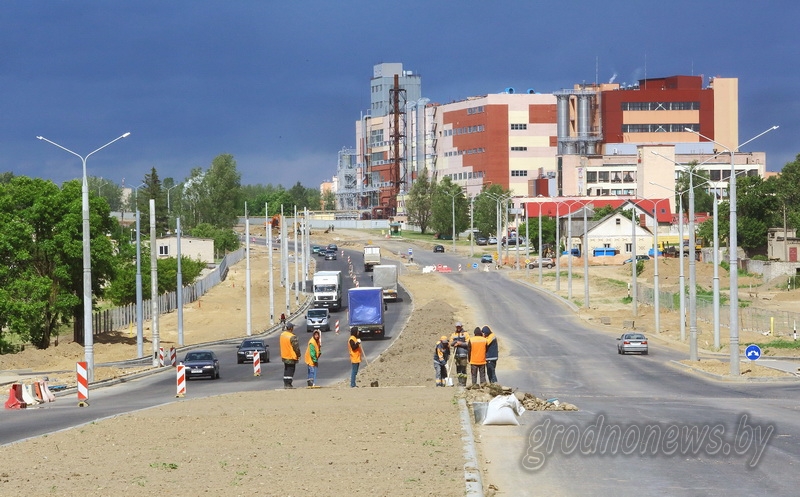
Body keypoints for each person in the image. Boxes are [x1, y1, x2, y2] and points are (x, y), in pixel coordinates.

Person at [279, 322, 300, 388]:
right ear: (291, 328)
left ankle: (286, 383)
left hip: (284, 355)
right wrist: (298, 354)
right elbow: (296, 347)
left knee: (286, 369)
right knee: (291, 370)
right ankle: (288, 384)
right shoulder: (292, 337)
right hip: (291, 356)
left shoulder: (282, 335)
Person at [449, 322, 470, 387]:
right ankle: (460, 382)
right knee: (458, 369)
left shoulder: (465, 334)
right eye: (457, 327)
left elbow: (468, 343)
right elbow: (451, 343)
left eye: (459, 326)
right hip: (456, 355)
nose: (458, 328)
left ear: (461, 326)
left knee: (463, 369)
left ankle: (463, 383)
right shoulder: (453, 334)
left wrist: (460, 343)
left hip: (463, 354)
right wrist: (455, 342)